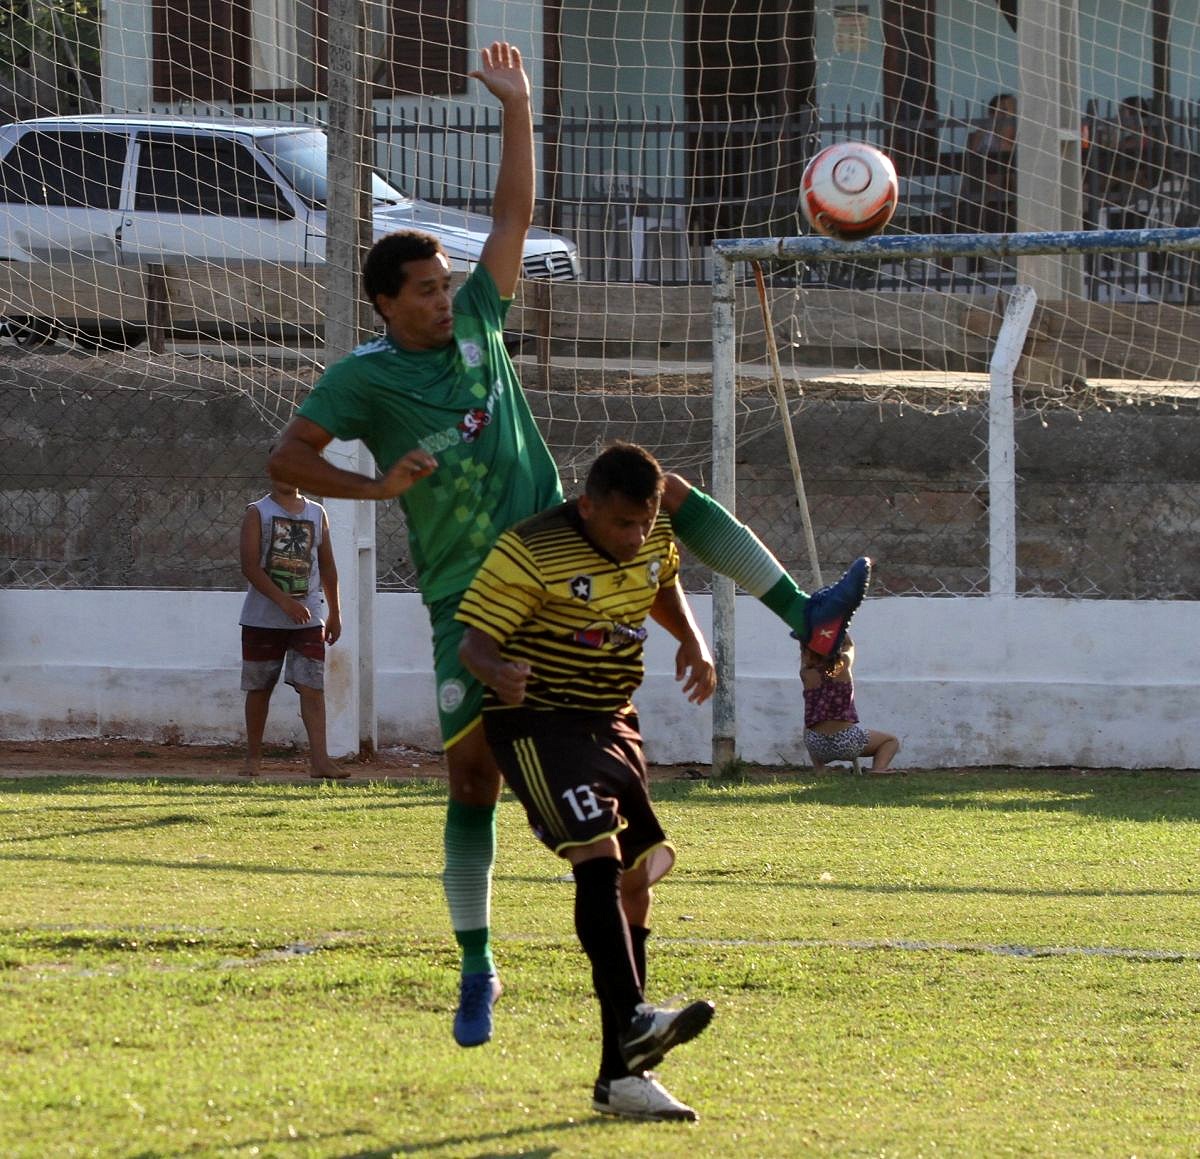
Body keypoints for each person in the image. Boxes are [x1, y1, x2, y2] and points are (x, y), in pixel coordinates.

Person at [268, 40, 869, 1049]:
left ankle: (801, 614)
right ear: (384, 301)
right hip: (472, 596)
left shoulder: (478, 324)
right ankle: (477, 965)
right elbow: (285, 460)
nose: (443, 292)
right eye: (423, 285)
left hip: (560, 546)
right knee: (471, 783)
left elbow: (511, 216)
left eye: (444, 279)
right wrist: (375, 483)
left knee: (656, 496)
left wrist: (519, 106)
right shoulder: (362, 380)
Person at [457, 441, 717, 1122]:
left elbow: (662, 579)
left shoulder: (653, 533)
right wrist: (495, 670)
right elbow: (473, 641)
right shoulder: (531, 550)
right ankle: (634, 1014)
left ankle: (621, 1077)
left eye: (644, 522)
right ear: (587, 506)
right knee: (596, 855)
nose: (635, 537)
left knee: (636, 882)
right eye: (621, 525)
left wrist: (691, 637)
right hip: (538, 723)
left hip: (612, 719)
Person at [238, 478, 345, 779]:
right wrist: (284, 602)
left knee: (312, 686)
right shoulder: (257, 512)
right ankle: (253, 758)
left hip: (309, 618)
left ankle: (320, 761)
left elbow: (327, 565)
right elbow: (249, 566)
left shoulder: (316, 513)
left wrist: (335, 612)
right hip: (263, 618)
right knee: (259, 687)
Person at [799, 634, 899, 775]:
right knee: (890, 741)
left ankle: (819, 768)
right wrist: (840, 626)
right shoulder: (843, 664)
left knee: (808, 725)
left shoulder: (805, 673)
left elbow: (805, 656)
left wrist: (806, 634)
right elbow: (849, 645)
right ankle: (879, 768)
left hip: (816, 745)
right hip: (846, 742)